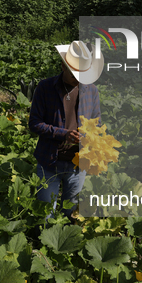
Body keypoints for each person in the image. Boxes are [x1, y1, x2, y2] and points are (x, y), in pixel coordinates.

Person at [29, 41, 103, 219]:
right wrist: (63, 134)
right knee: (46, 215)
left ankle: (67, 244)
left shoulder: (91, 90)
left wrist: (91, 137)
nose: (78, 79)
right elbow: (34, 123)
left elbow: (97, 123)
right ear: (63, 65)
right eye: (74, 74)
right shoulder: (45, 88)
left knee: (70, 214)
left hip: (78, 165)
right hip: (49, 161)